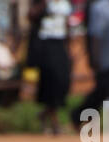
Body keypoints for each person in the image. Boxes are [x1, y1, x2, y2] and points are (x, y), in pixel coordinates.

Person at [29, 0, 72, 132]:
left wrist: (68, 46)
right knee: (51, 81)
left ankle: (44, 114)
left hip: (60, 44)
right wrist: (44, 4)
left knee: (63, 81)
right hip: (45, 44)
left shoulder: (65, 4)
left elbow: (66, 24)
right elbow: (30, 16)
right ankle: (55, 122)